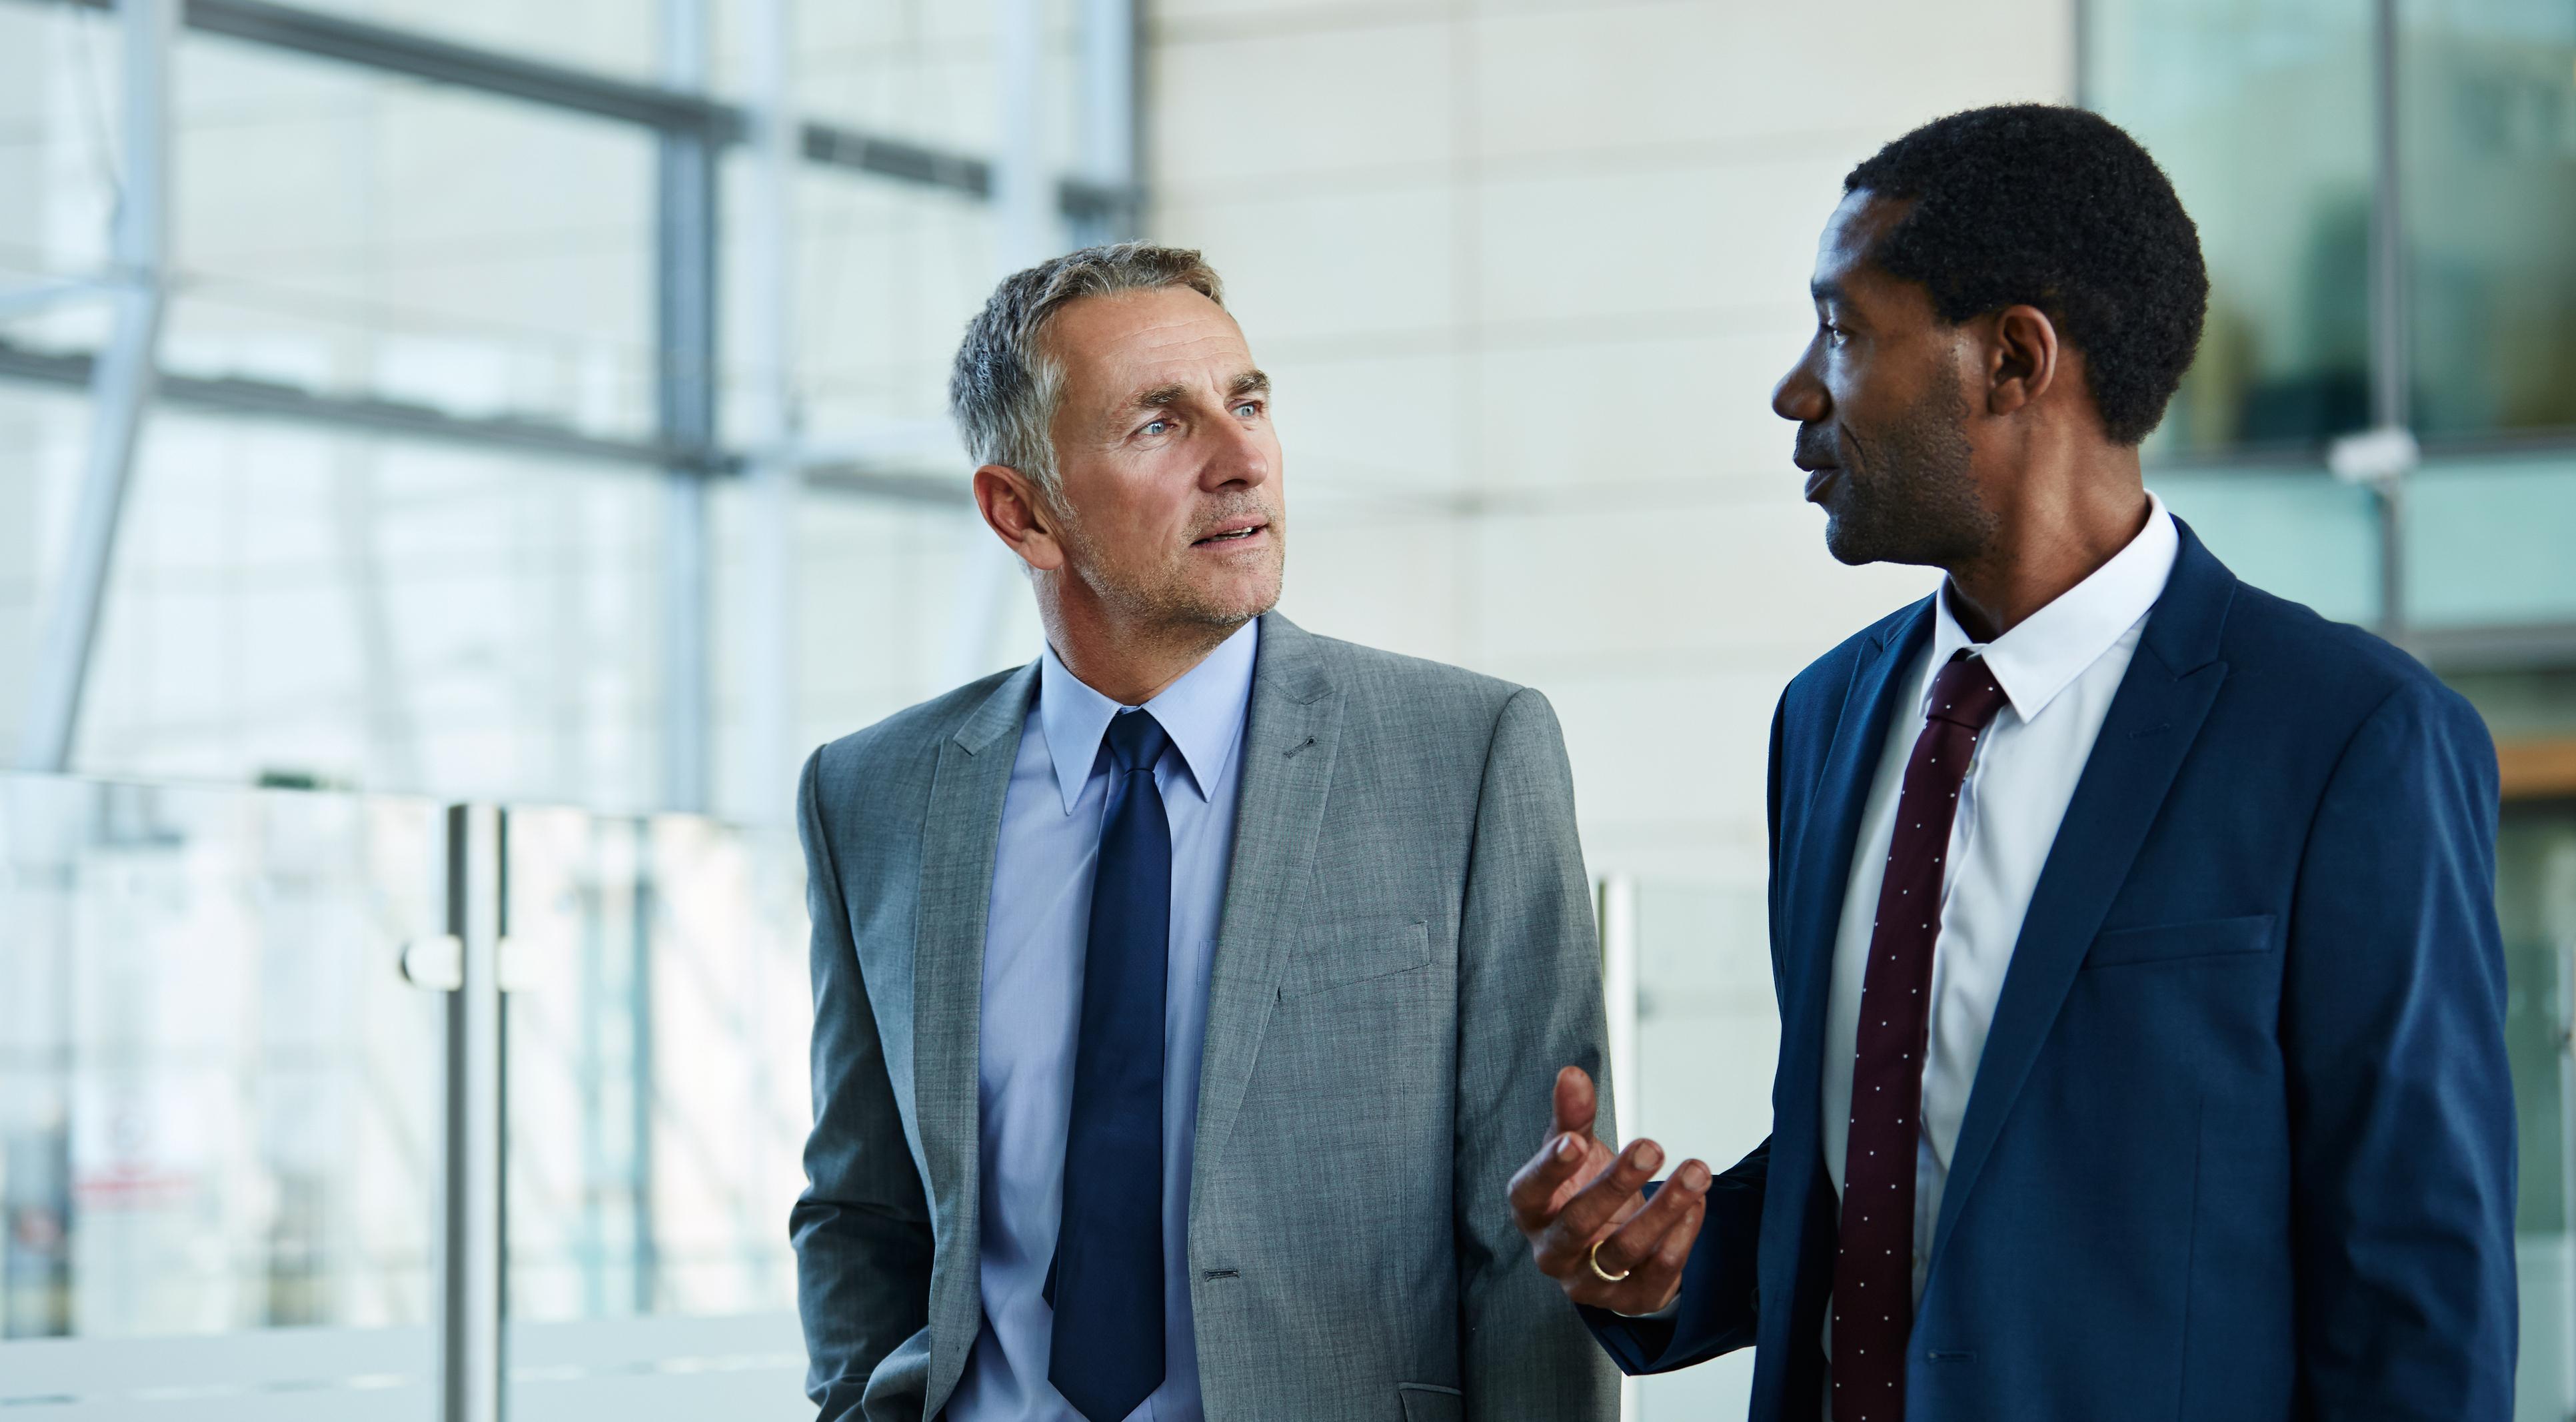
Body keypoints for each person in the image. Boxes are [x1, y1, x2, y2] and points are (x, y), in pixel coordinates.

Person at [1506, 105, 2516, 1421]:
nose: (1795, 389)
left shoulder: (2348, 736)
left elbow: (2415, 1288)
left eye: (1844, 330)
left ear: (2014, 360)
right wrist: (1653, 1254)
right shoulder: (1823, 718)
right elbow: (1905, 1173)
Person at [792, 243, 1618, 1422]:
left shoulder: (1469, 753)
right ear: (1020, 510)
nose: (1241, 462)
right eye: (1157, 424)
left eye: (1247, 403)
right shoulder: (872, 793)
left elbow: (1527, 1231)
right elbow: (859, 1206)